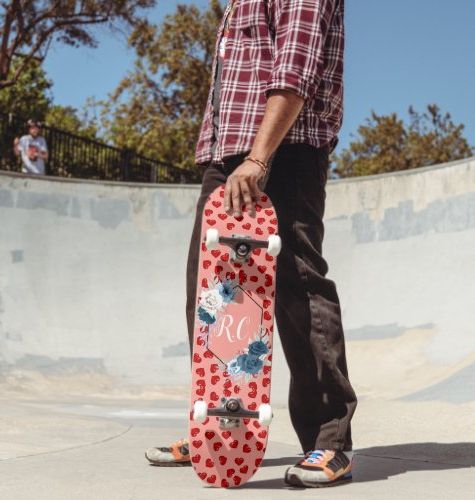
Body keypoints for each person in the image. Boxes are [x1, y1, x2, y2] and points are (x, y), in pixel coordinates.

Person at [146, 0, 357, 488]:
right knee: (212, 297)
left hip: (281, 151)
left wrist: (259, 160)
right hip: (228, 156)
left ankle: (330, 440)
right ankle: (219, 430)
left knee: (297, 285)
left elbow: (295, 68)